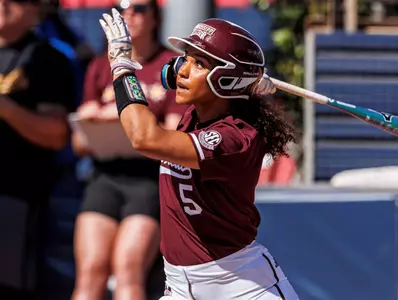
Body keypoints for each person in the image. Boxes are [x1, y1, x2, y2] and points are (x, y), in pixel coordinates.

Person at [99, 8, 300, 299]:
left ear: (226, 80)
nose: (181, 69)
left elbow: (144, 138)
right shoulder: (196, 114)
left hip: (241, 287)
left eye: (199, 64)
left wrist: (121, 66)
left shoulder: (236, 138)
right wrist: (246, 83)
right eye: (186, 59)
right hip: (180, 287)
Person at [71, 1, 188, 300]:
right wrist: (89, 122)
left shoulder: (171, 65)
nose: (128, 16)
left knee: (128, 267)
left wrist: (121, 115)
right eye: (120, 9)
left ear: (155, 17)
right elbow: (79, 144)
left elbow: (176, 136)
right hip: (105, 174)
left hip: (149, 178)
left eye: (139, 8)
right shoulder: (99, 66)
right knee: (91, 270)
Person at [0, 0, 76, 298]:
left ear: (36, 9)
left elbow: (57, 135)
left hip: (19, 196)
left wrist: (6, 109)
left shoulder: (48, 58)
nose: (4, 4)